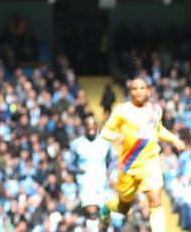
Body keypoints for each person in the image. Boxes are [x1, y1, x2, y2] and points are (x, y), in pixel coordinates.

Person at [99, 78, 187, 230]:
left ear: (148, 91)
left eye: (142, 88)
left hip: (150, 163)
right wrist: (116, 136)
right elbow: (105, 131)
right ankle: (106, 208)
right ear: (130, 92)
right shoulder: (122, 110)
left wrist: (174, 139)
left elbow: (158, 130)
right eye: (134, 88)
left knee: (156, 202)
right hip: (129, 164)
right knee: (123, 207)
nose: (138, 91)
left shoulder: (156, 110)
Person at [70, 115, 112, 232]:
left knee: (104, 214)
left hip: (101, 181)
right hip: (86, 182)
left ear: (97, 126)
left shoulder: (105, 143)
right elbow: (69, 164)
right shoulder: (77, 144)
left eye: (93, 127)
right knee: (92, 211)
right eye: (88, 127)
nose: (91, 130)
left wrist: (109, 171)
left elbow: (112, 160)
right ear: (85, 128)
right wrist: (79, 170)